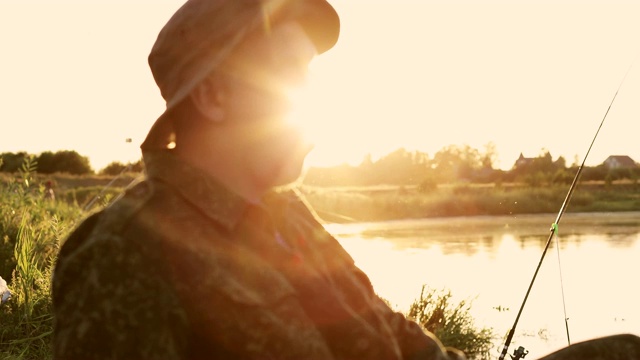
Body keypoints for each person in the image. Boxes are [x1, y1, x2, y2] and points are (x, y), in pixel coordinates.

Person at [52, 0, 640, 359]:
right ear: (213, 94)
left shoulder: (288, 215)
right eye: (289, 70)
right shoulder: (125, 252)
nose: (310, 95)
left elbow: (390, 335)